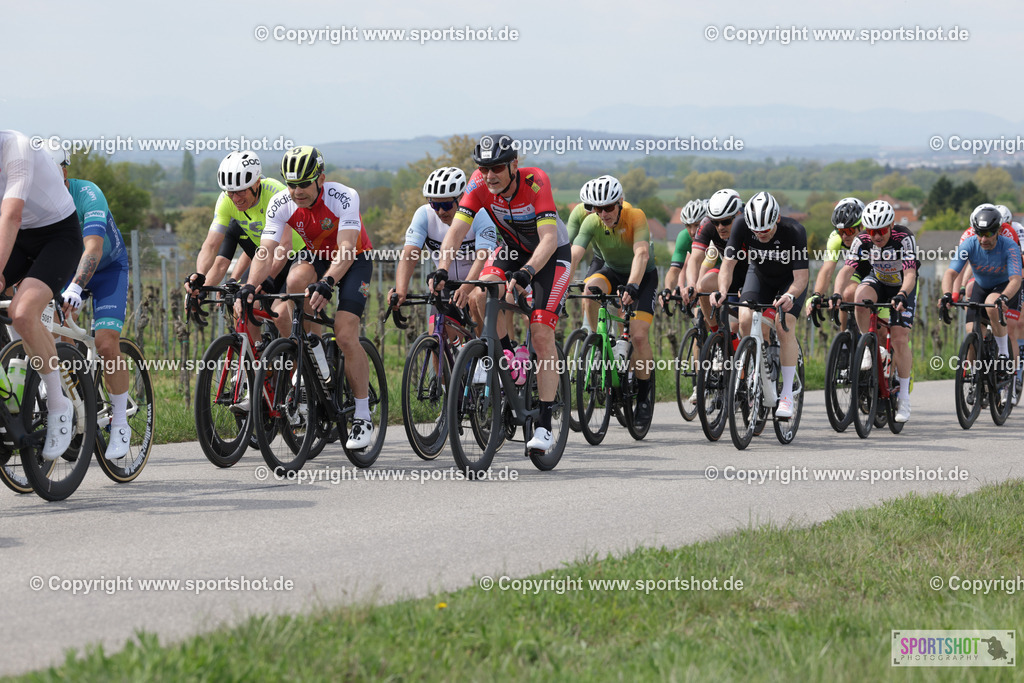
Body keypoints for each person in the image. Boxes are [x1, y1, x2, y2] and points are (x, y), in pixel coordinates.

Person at [429, 134, 571, 452]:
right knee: (480, 295)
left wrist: (528, 273)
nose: (489, 175)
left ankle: (545, 424)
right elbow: (456, 231)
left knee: (541, 333)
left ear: (513, 166)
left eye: (496, 168)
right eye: (484, 168)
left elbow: (549, 239)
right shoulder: (478, 183)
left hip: (550, 256)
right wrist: (442, 268)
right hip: (511, 251)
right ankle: (508, 355)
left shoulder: (535, 182)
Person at [236, 146, 376, 449]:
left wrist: (327, 282)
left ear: (320, 179)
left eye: (303, 184)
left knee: (345, 334)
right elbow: (266, 250)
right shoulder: (282, 202)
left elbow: (347, 248)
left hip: (355, 260)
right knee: (293, 285)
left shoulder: (344, 197)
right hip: (319, 258)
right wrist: (250, 284)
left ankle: (363, 416)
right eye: (291, 184)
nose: (297, 191)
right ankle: (313, 350)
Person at [0, 131, 83, 459]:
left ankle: (58, 403)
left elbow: (11, 215)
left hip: (57, 237)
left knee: (22, 314)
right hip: (18, 238)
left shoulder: (17, 147)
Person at [49, 148, 133, 460]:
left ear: (64, 171)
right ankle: (80, 400)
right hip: (67, 268)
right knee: (54, 335)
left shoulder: (87, 193)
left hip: (108, 270)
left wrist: (76, 286)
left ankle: (120, 422)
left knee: (106, 343)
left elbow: (94, 248)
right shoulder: (35, 200)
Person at [570, 175, 657, 427]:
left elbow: (641, 253)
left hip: (642, 276)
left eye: (608, 207)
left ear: (619, 203)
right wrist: (560, 285)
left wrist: (633, 285)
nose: (603, 213)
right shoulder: (591, 221)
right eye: (598, 208)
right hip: (612, 271)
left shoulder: (635, 215)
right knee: (589, 290)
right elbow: (575, 254)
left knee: (638, 336)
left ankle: (644, 398)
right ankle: (597, 341)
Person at [711, 191, 808, 419]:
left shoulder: (794, 231)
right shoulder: (741, 224)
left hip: (789, 282)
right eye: (756, 231)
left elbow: (801, 278)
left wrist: (790, 296)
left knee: (784, 325)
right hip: (760, 275)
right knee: (745, 319)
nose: (760, 235)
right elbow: (728, 264)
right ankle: (756, 374)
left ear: (777, 219)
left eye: (765, 230)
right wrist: (723, 290)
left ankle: (786, 394)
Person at [185, 151, 299, 339]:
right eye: (231, 192)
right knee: (244, 307)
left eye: (241, 191)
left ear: (256, 183)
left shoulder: (276, 194)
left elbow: (285, 245)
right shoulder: (225, 201)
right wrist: (200, 280)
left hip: (298, 256)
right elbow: (211, 246)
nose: (236, 198)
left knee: (281, 315)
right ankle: (259, 356)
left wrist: (263, 280)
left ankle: (295, 357)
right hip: (266, 258)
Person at [832, 200, 918, 422]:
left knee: (899, 338)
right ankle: (869, 346)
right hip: (879, 280)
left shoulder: (904, 237)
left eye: (881, 231)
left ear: (891, 226)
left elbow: (910, 274)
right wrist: (837, 293)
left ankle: (904, 398)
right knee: (860, 299)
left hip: (902, 286)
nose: (877, 236)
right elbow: (846, 269)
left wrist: (903, 294)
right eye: (872, 231)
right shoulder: (861, 239)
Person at [388, 166, 496, 335]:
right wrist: (401, 290)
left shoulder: (480, 214)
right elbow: (409, 255)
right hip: (447, 283)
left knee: (481, 330)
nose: (440, 211)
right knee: (438, 336)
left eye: (446, 204)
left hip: (479, 283)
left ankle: (483, 350)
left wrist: (466, 289)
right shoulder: (424, 215)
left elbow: (482, 257)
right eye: (434, 204)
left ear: (461, 198)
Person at [940, 206, 1022, 375]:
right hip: (982, 286)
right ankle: (975, 377)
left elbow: (1015, 279)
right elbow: (951, 273)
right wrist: (947, 295)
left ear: (998, 231)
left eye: (988, 233)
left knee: (992, 304)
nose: (983, 239)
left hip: (1005, 287)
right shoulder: (969, 244)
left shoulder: (1009, 246)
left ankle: (1003, 354)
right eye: (980, 233)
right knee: (972, 333)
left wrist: (1004, 297)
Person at [805, 197, 870, 328]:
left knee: (885, 332)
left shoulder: (872, 235)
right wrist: (817, 295)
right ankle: (845, 336)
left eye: (849, 230)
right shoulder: (835, 239)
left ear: (862, 226)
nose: (844, 236)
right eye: (841, 231)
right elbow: (827, 270)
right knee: (847, 294)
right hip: (857, 271)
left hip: (880, 273)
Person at [661, 198, 705, 310]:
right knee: (699, 313)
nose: (692, 232)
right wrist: (667, 289)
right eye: (688, 226)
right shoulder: (683, 237)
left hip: (720, 274)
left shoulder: (714, 234)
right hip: (700, 276)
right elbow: (675, 270)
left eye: (697, 225)